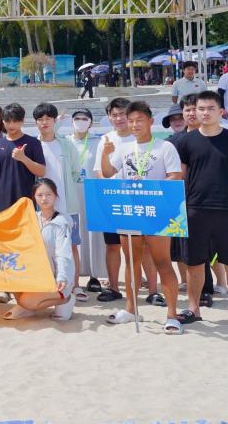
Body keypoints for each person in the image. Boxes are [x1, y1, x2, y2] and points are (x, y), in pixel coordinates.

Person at [173, 91, 228, 331]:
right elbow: (179, 176)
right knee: (194, 264)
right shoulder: (185, 142)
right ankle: (193, 309)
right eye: (200, 108)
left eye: (210, 108)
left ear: (221, 111)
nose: (205, 113)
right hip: (194, 210)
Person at [100, 101, 183, 332]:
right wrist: (106, 154)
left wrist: (147, 185)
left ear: (150, 121)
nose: (135, 125)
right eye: (131, 121)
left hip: (158, 213)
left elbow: (175, 176)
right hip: (130, 211)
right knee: (131, 262)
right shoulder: (125, 148)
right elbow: (107, 172)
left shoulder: (164, 147)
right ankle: (130, 309)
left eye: (139, 120)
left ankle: (172, 315)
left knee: (163, 262)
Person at [0, 103, 45, 304]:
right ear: (3, 121)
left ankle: (23, 286)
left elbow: (41, 171)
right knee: (3, 245)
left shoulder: (33, 143)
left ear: (22, 121)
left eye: (15, 121)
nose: (11, 125)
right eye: (8, 121)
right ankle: (5, 287)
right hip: (1, 202)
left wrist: (23, 158)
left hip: (25, 202)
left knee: (24, 245)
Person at [4, 178, 75, 322]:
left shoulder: (61, 222)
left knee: (27, 301)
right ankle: (26, 306)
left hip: (57, 278)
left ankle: (66, 299)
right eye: (40, 195)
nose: (44, 199)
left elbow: (63, 253)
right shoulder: (31, 218)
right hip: (36, 275)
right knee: (11, 277)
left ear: (55, 196)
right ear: (34, 197)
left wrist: (62, 277)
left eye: (48, 194)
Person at [33, 103, 84, 301]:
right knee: (43, 247)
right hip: (41, 208)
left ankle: (76, 285)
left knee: (72, 245)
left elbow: (75, 171)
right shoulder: (33, 145)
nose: (44, 122)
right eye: (40, 119)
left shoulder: (66, 144)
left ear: (55, 121)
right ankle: (48, 284)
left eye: (48, 118)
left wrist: (65, 191)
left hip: (67, 205)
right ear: (36, 122)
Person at [92, 97, 133, 304]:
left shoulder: (138, 137)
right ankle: (114, 287)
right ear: (109, 117)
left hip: (136, 199)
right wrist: (109, 188)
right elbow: (98, 170)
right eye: (114, 115)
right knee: (113, 245)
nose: (118, 118)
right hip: (112, 199)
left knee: (139, 248)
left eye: (122, 114)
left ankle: (150, 290)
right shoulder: (106, 139)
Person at [67, 108, 105, 294]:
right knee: (74, 234)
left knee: (93, 234)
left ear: (90, 122)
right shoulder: (66, 142)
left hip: (92, 193)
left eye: (84, 118)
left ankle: (94, 275)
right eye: (77, 118)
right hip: (72, 192)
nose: (80, 121)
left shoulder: (98, 142)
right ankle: (74, 275)